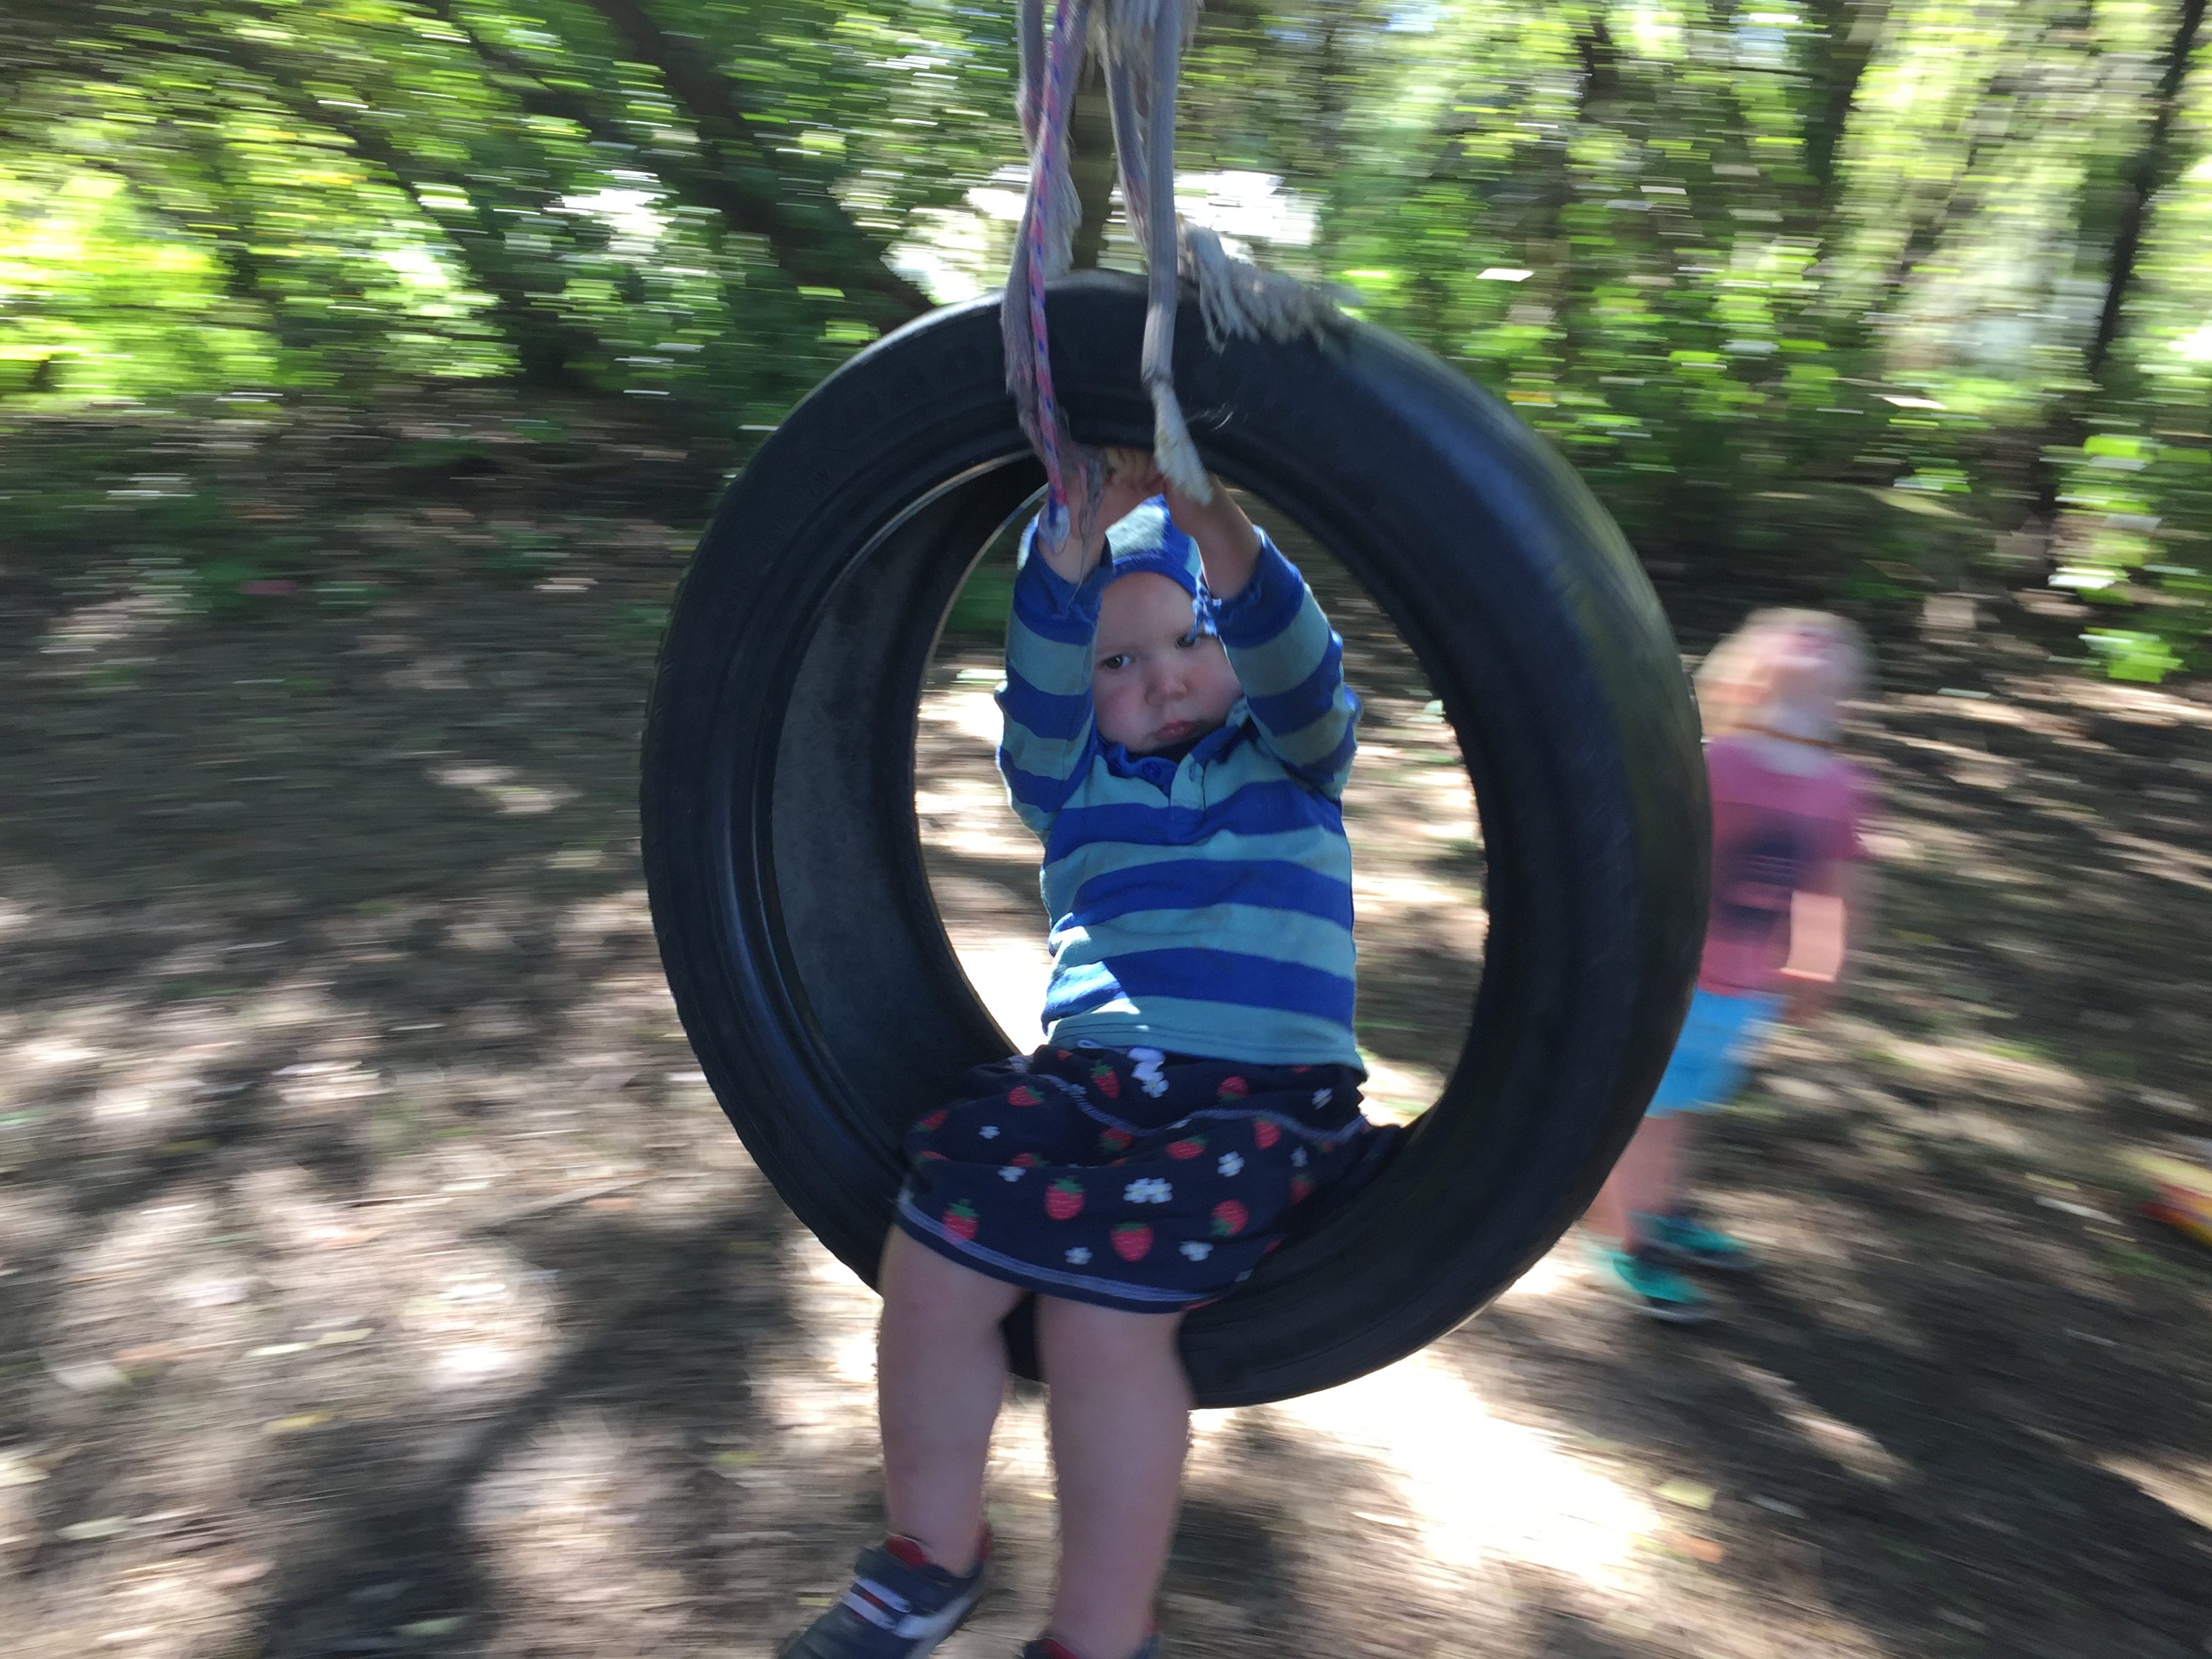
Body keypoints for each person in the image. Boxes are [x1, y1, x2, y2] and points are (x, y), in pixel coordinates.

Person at [779, 452, 1383, 1659]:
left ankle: (1099, 1634)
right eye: (1118, 660)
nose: (1159, 676)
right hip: (1090, 1085)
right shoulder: (1068, 781)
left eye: (1187, 641)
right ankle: (928, 1554)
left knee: (1099, 1320)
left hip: (1259, 1105)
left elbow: (1295, 662)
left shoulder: (1293, 756)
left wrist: (1213, 518)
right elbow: (1038, 675)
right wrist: (1065, 537)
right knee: (935, 1245)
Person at [1584, 608, 1872, 1322]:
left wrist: (1823, 962)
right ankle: (1627, 1238)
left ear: (1847, 692)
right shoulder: (1714, 763)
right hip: (1671, 982)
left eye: (1834, 639)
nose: (1816, 637)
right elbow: (1648, 854)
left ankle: (1662, 1209)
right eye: (1794, 632)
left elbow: (1835, 883)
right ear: (1745, 673)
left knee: (1684, 1107)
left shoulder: (1842, 786)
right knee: (1646, 1111)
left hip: (1751, 990)